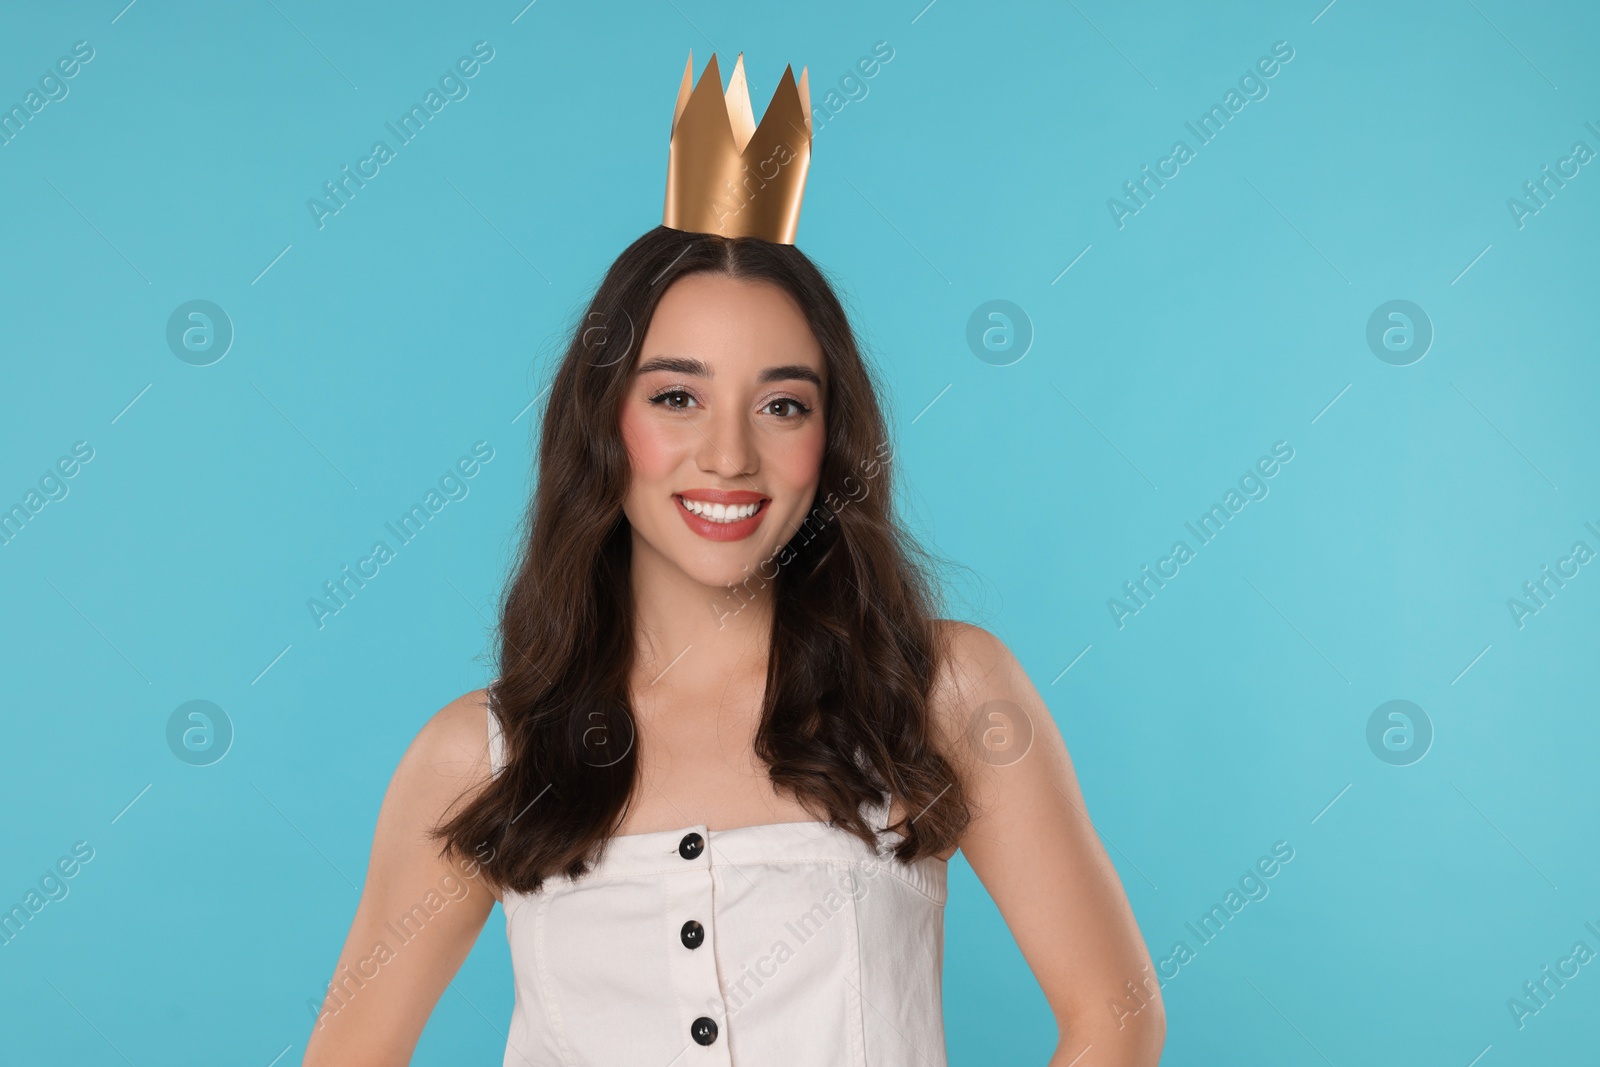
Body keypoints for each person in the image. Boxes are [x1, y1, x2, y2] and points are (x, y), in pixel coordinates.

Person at [303, 52, 1163, 1067]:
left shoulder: (943, 689)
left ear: (830, 437)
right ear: (604, 421)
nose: (727, 454)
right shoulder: (482, 754)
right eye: (677, 396)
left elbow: (1114, 1014)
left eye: (781, 404)